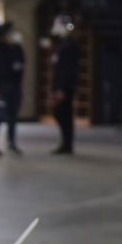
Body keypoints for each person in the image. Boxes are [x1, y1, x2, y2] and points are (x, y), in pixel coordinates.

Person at [0, 22, 25, 155]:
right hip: (2, 87)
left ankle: (12, 142)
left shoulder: (16, 48)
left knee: (13, 116)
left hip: (15, 86)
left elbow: (21, 64)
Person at [50, 14, 79, 155]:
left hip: (65, 87)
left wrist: (61, 88)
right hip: (60, 86)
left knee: (63, 114)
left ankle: (67, 144)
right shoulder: (61, 44)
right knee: (61, 113)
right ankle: (65, 143)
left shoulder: (69, 45)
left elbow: (67, 70)